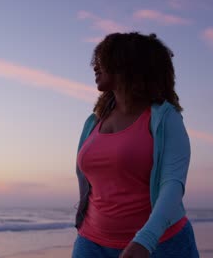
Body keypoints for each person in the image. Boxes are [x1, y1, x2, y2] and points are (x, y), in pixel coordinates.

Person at [72, 32, 199, 258]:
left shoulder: (164, 118)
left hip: (160, 245)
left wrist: (145, 240)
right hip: (91, 242)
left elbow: (172, 185)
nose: (94, 67)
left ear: (127, 64)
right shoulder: (93, 123)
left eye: (103, 60)